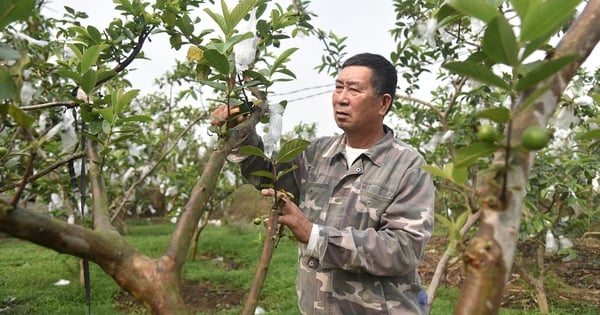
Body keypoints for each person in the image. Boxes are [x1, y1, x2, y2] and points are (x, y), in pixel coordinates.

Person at [211, 53, 435, 314]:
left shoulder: (408, 165)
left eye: (354, 89)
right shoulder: (317, 153)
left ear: (383, 104)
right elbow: (266, 175)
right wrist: (239, 134)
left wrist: (316, 236)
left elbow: (404, 248)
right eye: (338, 87)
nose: (341, 98)